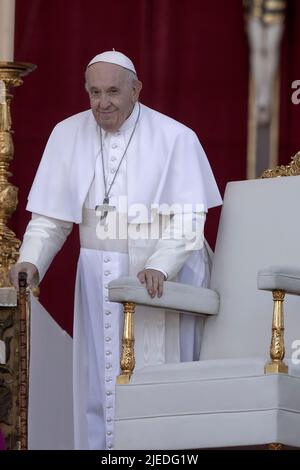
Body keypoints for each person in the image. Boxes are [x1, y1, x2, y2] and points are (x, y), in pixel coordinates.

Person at [9, 51, 222, 450]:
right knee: (99, 383)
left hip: (160, 278)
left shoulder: (175, 137)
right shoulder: (66, 134)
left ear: (136, 90)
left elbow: (190, 219)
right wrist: (31, 260)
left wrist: (160, 264)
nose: (102, 102)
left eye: (112, 92)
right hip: (96, 275)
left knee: (157, 384)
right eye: (94, 92)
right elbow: (51, 219)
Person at [244, 0, 287, 125]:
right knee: (257, 51)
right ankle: (261, 93)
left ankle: (265, 94)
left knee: (270, 50)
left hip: (275, 8)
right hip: (254, 9)